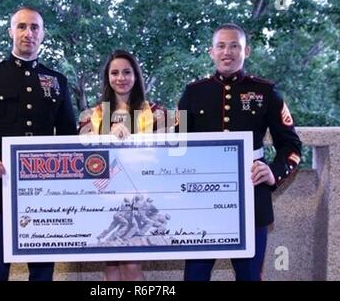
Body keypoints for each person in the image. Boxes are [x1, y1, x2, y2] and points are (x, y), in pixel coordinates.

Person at [0, 6, 77, 281]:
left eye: (34, 27)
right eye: (21, 27)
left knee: (42, 274)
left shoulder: (57, 81)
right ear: (11, 32)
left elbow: (69, 138)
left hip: (45, 197)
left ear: (43, 34)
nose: (28, 33)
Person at [178, 23, 302, 281]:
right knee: (195, 276)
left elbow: (291, 147)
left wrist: (274, 173)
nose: (228, 52)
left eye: (235, 45)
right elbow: (177, 146)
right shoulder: (193, 93)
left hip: (251, 198)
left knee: (249, 277)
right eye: (221, 46)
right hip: (202, 201)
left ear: (247, 51)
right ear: (211, 52)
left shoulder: (266, 92)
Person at [79, 49, 167, 281]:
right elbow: (83, 157)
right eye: (115, 73)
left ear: (136, 76)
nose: (121, 78)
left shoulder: (157, 113)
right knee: (111, 269)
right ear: (107, 78)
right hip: (105, 199)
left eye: (127, 72)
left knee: (131, 268)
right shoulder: (93, 115)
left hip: (142, 199)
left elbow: (175, 152)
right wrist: (105, 137)